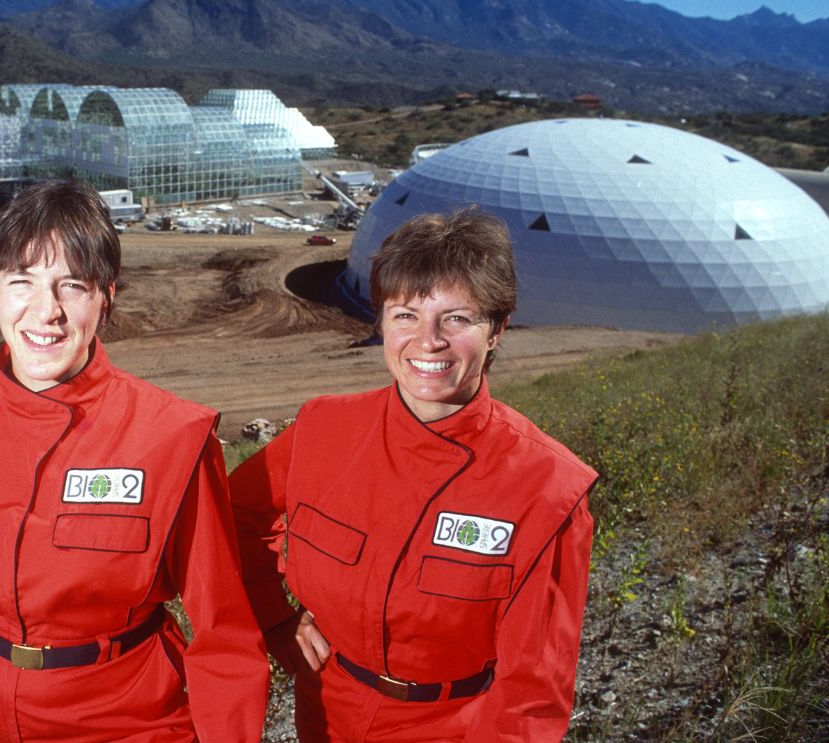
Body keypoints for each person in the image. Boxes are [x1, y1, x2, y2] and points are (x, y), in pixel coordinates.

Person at [0, 180, 269, 742]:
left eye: (73, 286)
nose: (47, 313)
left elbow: (224, 636)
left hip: (120, 721)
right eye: (23, 282)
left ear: (106, 299)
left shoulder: (173, 437)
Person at [230, 207, 597, 741]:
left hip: (452, 725)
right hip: (327, 708)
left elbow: (531, 694)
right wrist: (275, 619)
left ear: (496, 329)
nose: (429, 341)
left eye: (457, 318)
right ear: (379, 321)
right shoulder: (321, 429)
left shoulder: (546, 489)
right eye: (405, 315)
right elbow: (232, 520)